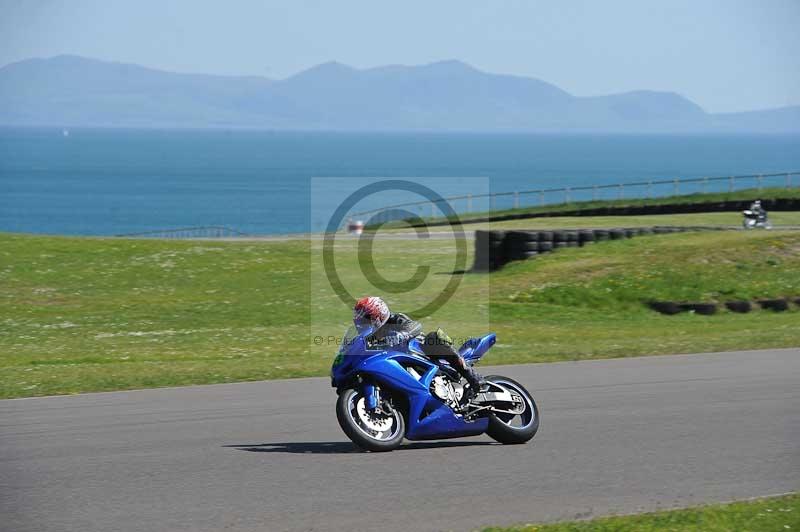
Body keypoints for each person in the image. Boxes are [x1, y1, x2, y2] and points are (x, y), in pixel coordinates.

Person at [353, 296, 486, 398]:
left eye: (366, 319)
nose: (362, 324)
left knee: (433, 338)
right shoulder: (370, 338)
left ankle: (472, 376)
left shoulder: (395, 319)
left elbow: (415, 326)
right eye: (360, 320)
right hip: (399, 367)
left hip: (424, 353)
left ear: (379, 314)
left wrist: (401, 335)